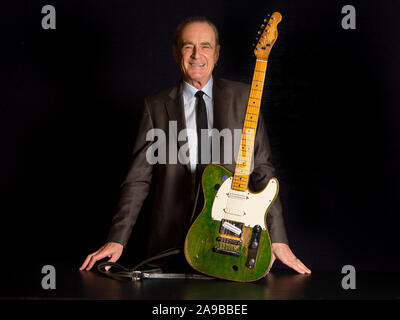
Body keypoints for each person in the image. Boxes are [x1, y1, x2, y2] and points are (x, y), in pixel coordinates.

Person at [80, 17, 311, 274]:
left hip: (233, 242)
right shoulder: (155, 107)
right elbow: (138, 180)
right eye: (188, 46)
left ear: (217, 53)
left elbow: (263, 171)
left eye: (205, 46)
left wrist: (278, 238)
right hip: (168, 247)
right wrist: (117, 238)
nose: (196, 54)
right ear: (176, 52)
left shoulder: (244, 98)